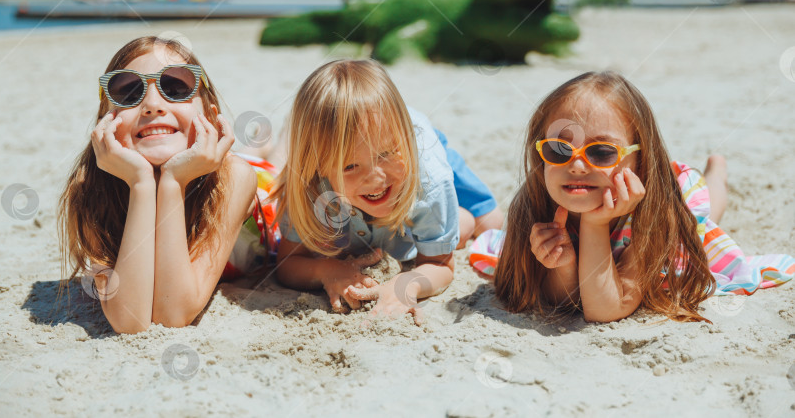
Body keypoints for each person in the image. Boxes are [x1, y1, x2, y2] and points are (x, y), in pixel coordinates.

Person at [487, 71, 794, 322]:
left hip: (673, 204)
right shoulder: (535, 204)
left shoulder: (658, 219)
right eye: (559, 149)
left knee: (706, 216)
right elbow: (564, 302)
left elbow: (605, 309)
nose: (577, 165)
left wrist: (595, 223)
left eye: (602, 152)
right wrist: (562, 267)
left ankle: (717, 172)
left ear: (640, 162)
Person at [58, 36, 275, 333]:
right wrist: (141, 185)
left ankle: (269, 147)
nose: (152, 104)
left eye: (175, 87)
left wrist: (173, 182)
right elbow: (129, 319)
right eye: (129, 91)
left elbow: (173, 314)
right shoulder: (89, 189)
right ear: (104, 121)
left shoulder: (233, 177)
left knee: (278, 162)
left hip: (264, 184)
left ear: (210, 113)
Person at [272, 59, 501, 322]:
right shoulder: (308, 186)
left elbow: (440, 264)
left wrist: (408, 284)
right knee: (450, 229)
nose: (375, 178)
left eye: (385, 154)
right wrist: (325, 269)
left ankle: (457, 219)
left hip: (427, 156)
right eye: (350, 166)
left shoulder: (431, 177)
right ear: (319, 167)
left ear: (403, 138)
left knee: (490, 223)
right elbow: (288, 263)